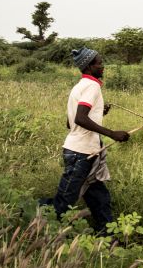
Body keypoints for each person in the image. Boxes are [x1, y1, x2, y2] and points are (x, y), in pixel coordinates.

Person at [42, 47, 129, 232]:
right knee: (64, 202)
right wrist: (112, 133)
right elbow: (80, 118)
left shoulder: (79, 86)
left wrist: (98, 112)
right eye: (99, 63)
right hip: (81, 154)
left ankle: (108, 236)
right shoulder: (92, 86)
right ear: (89, 66)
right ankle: (28, 216)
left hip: (87, 152)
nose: (102, 66)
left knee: (99, 198)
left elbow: (70, 122)